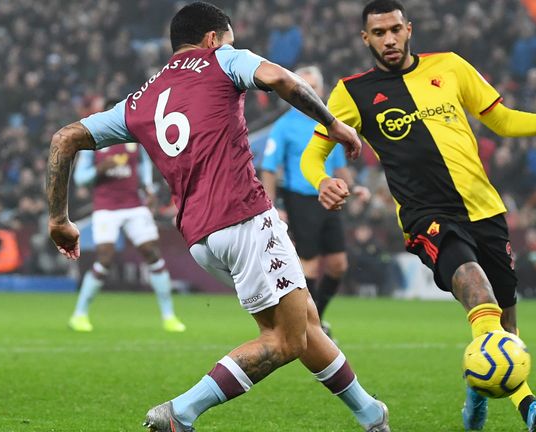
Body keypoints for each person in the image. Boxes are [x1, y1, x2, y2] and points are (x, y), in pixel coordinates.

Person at [45, 3, 389, 432]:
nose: (233, 47)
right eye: (230, 39)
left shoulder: (140, 101)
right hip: (244, 217)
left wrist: (59, 219)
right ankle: (182, 412)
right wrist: (334, 123)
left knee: (303, 321)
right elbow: (281, 78)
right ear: (213, 38)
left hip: (201, 240)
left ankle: (371, 415)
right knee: (285, 339)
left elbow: (65, 138)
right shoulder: (221, 59)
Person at [301, 1, 536, 431]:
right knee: (479, 293)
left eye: (394, 30)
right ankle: (529, 407)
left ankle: (478, 389)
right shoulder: (352, 92)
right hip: (428, 216)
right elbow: (314, 155)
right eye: (378, 33)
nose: (389, 39)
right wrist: (321, 181)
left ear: (409, 29)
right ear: (364, 38)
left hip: (485, 208)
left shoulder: (451, 66)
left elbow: (502, 120)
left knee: (506, 326)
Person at [261, 65, 370, 336]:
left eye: (312, 87)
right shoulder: (284, 125)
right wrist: (271, 206)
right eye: (302, 86)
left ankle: (315, 318)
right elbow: (270, 168)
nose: (306, 92)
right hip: (300, 198)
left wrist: (355, 187)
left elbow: (339, 165)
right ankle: (305, 327)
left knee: (338, 264)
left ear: (320, 91)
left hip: (329, 198)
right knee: (308, 262)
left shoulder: (329, 123)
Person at [68, 132, 186, 333]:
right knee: (105, 257)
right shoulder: (93, 146)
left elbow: (144, 166)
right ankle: (79, 314)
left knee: (152, 253)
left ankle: (169, 316)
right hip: (106, 208)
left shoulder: (133, 142)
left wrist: (148, 189)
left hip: (134, 206)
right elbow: (80, 179)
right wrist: (100, 170)